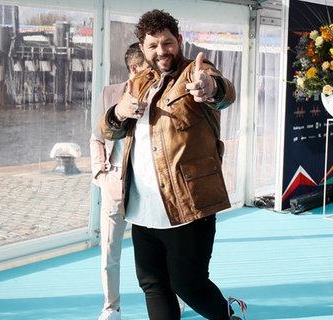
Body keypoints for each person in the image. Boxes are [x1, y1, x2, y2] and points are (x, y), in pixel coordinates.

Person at [101, 9, 245, 320]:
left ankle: (231, 315)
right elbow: (107, 130)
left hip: (186, 207)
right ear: (143, 48)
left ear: (179, 41)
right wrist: (118, 112)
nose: (161, 51)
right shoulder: (138, 82)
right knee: (153, 285)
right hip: (142, 208)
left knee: (188, 285)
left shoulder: (195, 71)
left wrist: (208, 87)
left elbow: (223, 92)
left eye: (167, 43)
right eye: (153, 46)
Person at [90, 42, 149, 320]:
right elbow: (96, 137)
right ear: (135, 68)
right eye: (149, 67)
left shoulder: (161, 95)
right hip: (114, 183)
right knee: (110, 253)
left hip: (152, 187)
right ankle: (111, 307)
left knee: (160, 252)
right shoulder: (109, 93)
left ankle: (175, 297)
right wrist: (99, 175)